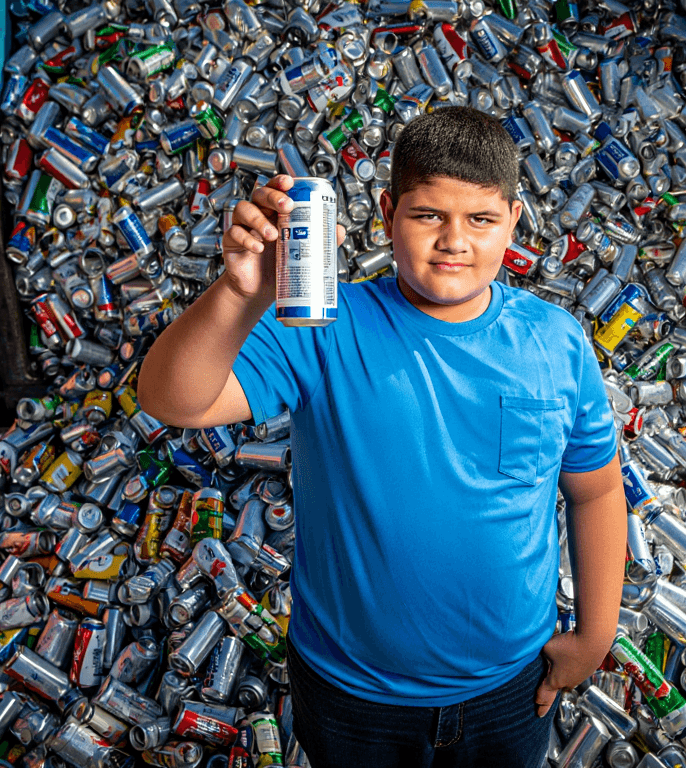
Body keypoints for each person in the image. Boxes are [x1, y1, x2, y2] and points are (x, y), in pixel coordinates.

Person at [138, 106, 628, 767]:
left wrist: (594, 637)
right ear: (387, 211)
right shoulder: (322, 326)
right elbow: (173, 399)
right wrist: (238, 292)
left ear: (513, 221)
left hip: (509, 689)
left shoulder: (556, 342)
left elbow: (595, 493)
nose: (454, 240)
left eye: (480, 219)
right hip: (351, 697)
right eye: (428, 215)